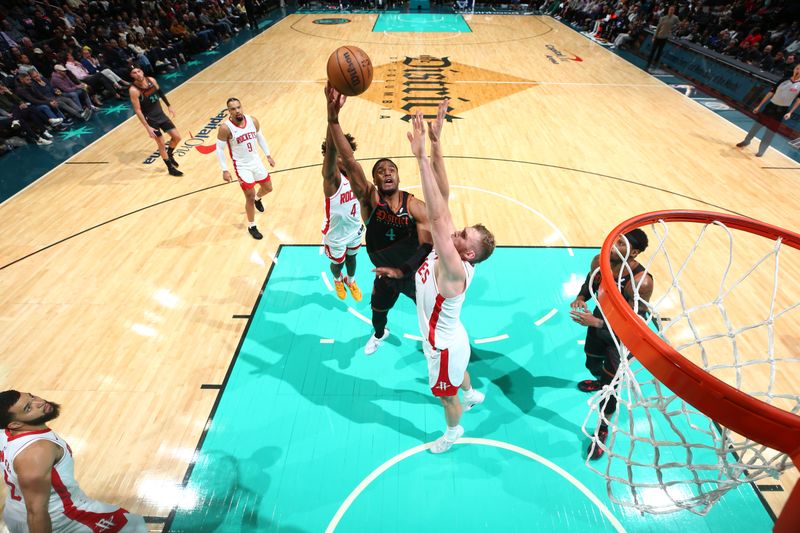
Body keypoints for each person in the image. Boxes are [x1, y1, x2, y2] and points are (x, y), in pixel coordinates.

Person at [386, 101, 494, 453]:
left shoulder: (453, 268)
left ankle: (452, 433)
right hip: (455, 335)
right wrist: (435, 144)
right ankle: (472, 393)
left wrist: (419, 160)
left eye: (463, 236)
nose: (455, 232)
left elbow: (437, 216)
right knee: (460, 370)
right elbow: (442, 199)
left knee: (445, 397)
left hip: (442, 346)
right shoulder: (452, 253)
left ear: (468, 255)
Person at [325, 84, 433, 355]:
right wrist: (333, 119)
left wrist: (403, 271)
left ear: (398, 177)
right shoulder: (370, 200)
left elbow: (425, 248)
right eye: (380, 170)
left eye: (391, 170)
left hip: (413, 274)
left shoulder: (416, 207)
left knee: (430, 310)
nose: (386, 173)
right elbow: (349, 161)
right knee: (378, 312)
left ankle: (434, 342)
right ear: (373, 180)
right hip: (384, 275)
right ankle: (379, 334)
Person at [0, 390, 147, 532]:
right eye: (28, 408)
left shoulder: (4, 432)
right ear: (15, 424)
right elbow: (36, 512)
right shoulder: (37, 451)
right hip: (59, 519)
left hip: (15, 512)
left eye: (31, 396)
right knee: (132, 526)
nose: (39, 402)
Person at [569, 229, 653, 460]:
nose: (614, 245)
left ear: (634, 252)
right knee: (591, 364)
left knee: (610, 386)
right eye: (616, 239)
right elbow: (591, 281)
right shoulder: (600, 260)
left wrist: (595, 322)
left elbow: (635, 325)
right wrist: (581, 297)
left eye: (622, 244)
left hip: (622, 340)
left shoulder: (640, 282)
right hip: (599, 324)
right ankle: (601, 380)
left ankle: (603, 425)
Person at [215, 97, 276, 240]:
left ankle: (258, 198)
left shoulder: (252, 121)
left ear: (241, 107)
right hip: (242, 166)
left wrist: (268, 155)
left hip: (256, 161)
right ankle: (252, 225)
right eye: (233, 109)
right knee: (248, 195)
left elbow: (260, 138)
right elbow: (219, 149)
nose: (237, 111)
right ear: (228, 111)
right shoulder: (225, 128)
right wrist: (224, 169)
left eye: (238, 107)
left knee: (268, 188)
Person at [321, 128, 364, 301]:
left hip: (355, 229)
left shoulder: (356, 175)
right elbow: (330, 158)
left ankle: (351, 280)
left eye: (347, 154)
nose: (344, 159)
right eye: (339, 156)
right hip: (336, 234)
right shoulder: (332, 180)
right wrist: (333, 119)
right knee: (338, 263)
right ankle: (338, 279)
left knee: (352, 258)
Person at [129, 66, 183, 177]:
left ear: (142, 71)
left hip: (161, 115)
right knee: (161, 143)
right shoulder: (134, 90)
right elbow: (138, 110)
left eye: (139, 71)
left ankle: (170, 154)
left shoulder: (151, 80)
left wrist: (169, 105)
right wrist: (147, 128)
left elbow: (160, 93)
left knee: (177, 137)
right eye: (134, 73)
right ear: (132, 76)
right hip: (151, 120)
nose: (138, 74)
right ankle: (170, 168)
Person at [736, 64, 800, 157]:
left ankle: (761, 150)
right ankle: (746, 141)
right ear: (794, 69)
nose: (798, 70)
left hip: (782, 110)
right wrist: (759, 106)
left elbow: (798, 100)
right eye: (797, 68)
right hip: (771, 107)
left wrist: (790, 112)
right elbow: (771, 92)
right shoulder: (783, 80)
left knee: (770, 132)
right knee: (757, 126)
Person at [646, 5, 680, 71]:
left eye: (672, 10)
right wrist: (654, 37)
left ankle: (654, 64)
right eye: (670, 9)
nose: (671, 11)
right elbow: (658, 28)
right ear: (668, 10)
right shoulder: (663, 18)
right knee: (653, 50)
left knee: (659, 52)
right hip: (658, 36)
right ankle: (648, 63)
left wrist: (672, 30)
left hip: (664, 38)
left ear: (674, 11)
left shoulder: (675, 18)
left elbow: (679, 24)